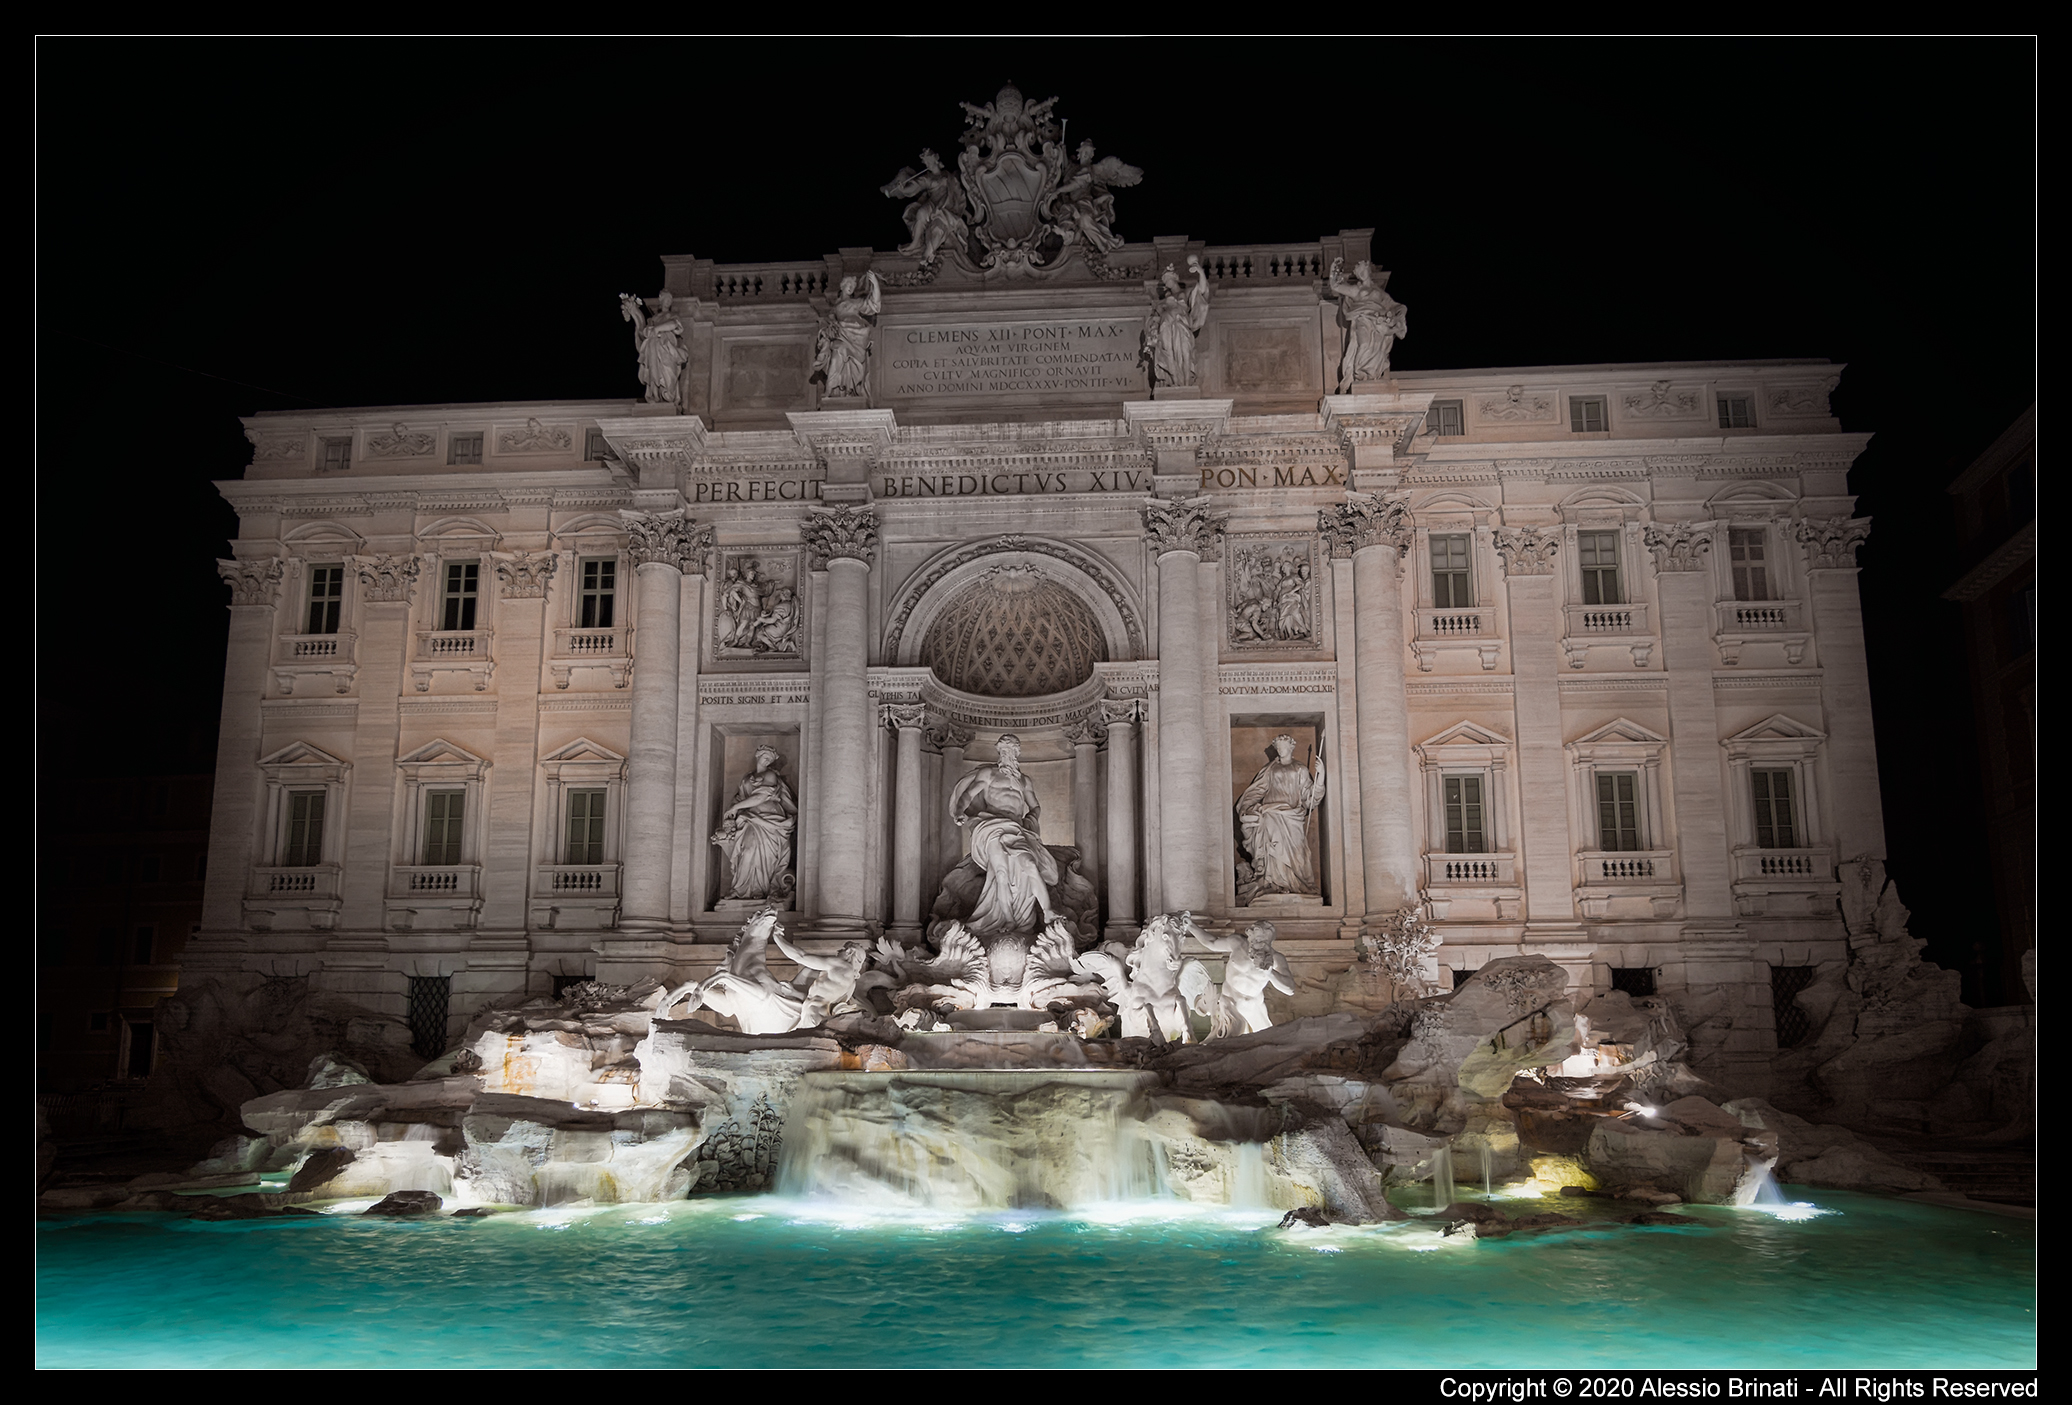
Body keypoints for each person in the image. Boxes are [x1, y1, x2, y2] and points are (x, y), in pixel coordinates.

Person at [947, 733, 1060, 938]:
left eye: (1011, 750)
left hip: (1015, 829)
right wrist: (959, 811)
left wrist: (1030, 820)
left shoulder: (1024, 781)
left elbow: (1035, 806)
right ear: (999, 752)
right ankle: (1008, 918)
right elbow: (968, 795)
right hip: (991, 826)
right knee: (1001, 873)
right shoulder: (988, 774)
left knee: (1030, 864)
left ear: (1017, 752)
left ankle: (1048, 911)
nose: (1006, 754)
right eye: (1003, 750)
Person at [1235, 734, 1326, 898]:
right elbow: (1258, 790)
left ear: (1291, 748)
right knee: (1272, 849)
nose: (1280, 750)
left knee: (1297, 853)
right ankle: (1273, 883)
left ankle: (1295, 884)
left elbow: (1310, 798)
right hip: (1270, 814)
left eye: (1283, 746)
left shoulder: (1300, 769)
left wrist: (1321, 778)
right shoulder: (1270, 769)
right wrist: (1246, 807)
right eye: (1278, 747)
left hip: (1292, 817)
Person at [712, 746, 796, 900]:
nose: (767, 761)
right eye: (765, 757)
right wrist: (733, 811)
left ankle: (760, 890)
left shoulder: (770, 775)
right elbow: (740, 797)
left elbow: (761, 797)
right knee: (747, 851)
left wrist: (736, 807)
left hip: (770, 820)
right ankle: (740, 889)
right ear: (758, 755)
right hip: (749, 819)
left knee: (765, 856)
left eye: (770, 759)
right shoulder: (747, 778)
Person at [1326, 258, 1408, 393]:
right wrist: (1335, 267)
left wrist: (1399, 313)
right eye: (1357, 269)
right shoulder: (1356, 289)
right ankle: (1360, 375)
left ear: (1367, 268)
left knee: (1376, 349)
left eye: (1361, 267)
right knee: (1363, 345)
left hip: (1378, 324)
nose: (1359, 270)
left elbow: (1394, 306)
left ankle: (1370, 377)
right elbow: (1335, 285)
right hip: (1363, 320)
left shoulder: (1380, 292)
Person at [811, 270, 882, 399]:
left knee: (850, 360)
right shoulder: (835, 307)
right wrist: (829, 329)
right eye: (849, 285)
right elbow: (827, 322)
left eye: (853, 286)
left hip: (857, 335)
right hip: (841, 335)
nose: (851, 288)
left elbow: (875, 306)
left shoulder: (856, 303)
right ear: (842, 286)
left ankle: (853, 389)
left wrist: (875, 285)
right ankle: (830, 389)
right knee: (837, 354)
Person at [1143, 256, 1210, 388]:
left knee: (1186, 354)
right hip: (1166, 327)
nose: (1166, 283)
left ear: (1175, 279)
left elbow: (1202, 290)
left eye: (1168, 279)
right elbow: (1154, 319)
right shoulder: (1162, 303)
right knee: (1168, 353)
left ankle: (1186, 384)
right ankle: (1174, 381)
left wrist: (1200, 271)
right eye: (1165, 281)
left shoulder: (1186, 293)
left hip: (1182, 326)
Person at [619, 290, 687, 407]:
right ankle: (655, 394)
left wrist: (657, 329)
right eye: (666, 299)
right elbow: (643, 332)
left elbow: (674, 324)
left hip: (667, 349)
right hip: (653, 348)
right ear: (660, 299)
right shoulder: (653, 319)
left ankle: (667, 395)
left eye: (670, 300)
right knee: (653, 368)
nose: (668, 302)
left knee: (668, 375)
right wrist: (635, 313)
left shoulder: (672, 316)